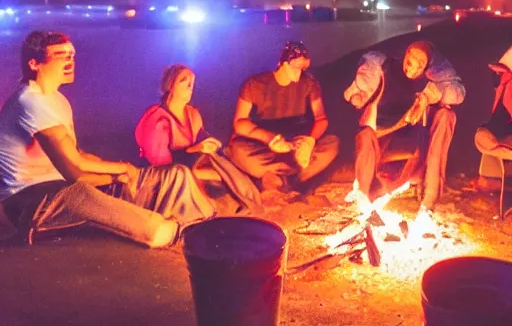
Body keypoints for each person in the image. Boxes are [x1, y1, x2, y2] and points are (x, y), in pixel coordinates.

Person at [0, 31, 215, 247]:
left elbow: (78, 154)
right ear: (35, 63)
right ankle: (188, 235)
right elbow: (73, 169)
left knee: (176, 176)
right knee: (157, 230)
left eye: (71, 54)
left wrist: (123, 172)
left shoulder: (57, 100)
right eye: (60, 55)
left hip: (68, 186)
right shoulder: (29, 102)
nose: (69, 60)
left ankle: (209, 225)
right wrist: (118, 172)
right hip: (34, 202)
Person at [344, 40, 465, 214]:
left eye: (420, 66)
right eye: (410, 63)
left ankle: (429, 198)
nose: (412, 70)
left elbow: (459, 92)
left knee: (446, 115)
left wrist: (432, 95)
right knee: (365, 135)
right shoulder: (384, 63)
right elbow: (360, 86)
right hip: (384, 133)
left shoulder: (437, 69)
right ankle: (364, 197)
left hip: (416, 135)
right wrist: (360, 93)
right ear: (406, 54)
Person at [135, 64, 262, 213]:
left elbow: (202, 137)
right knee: (207, 177)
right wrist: (196, 150)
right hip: (169, 176)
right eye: (184, 81)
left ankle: (245, 203)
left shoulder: (192, 114)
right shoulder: (157, 118)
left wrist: (211, 144)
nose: (190, 86)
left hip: (193, 166)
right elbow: (162, 164)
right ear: (170, 85)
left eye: (192, 82)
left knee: (226, 168)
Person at [228, 41, 339, 193]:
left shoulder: (309, 84)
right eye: (295, 68)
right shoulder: (254, 85)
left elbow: (321, 118)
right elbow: (240, 122)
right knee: (238, 150)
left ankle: (280, 178)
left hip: (297, 143)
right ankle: (289, 177)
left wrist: (309, 141)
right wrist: (269, 138)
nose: (298, 73)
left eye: (302, 69)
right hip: (266, 145)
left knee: (331, 144)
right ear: (282, 63)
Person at [474, 45, 512, 160]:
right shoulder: (503, 87)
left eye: (500, 72)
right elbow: (499, 118)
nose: (497, 75)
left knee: (483, 138)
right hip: (503, 134)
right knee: (482, 138)